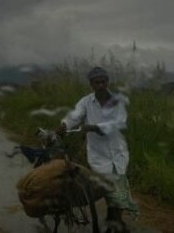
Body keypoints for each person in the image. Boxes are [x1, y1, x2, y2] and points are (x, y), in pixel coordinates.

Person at [57, 66, 138, 231]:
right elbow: (75, 116)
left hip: (118, 153)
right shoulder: (86, 102)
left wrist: (94, 127)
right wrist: (64, 125)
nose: (100, 85)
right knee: (107, 188)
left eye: (103, 81)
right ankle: (114, 220)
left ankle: (114, 220)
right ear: (91, 84)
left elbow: (119, 122)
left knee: (117, 187)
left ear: (107, 82)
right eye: (96, 82)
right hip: (98, 155)